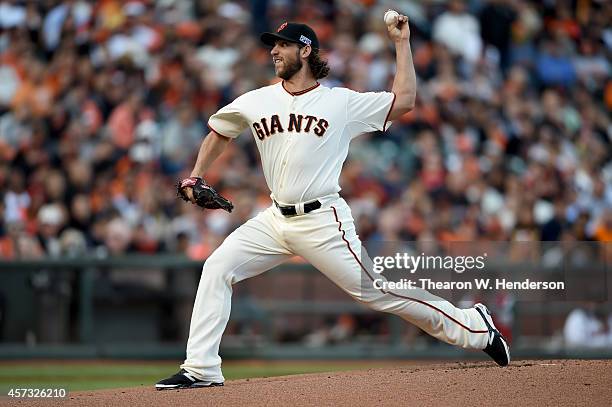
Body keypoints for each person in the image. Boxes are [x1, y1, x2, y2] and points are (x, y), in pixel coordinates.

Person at [156, 16, 510, 390]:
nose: (274, 50)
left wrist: (402, 43)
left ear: (305, 50)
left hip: (323, 221)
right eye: (272, 44)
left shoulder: (339, 102)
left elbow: (404, 101)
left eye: (283, 44)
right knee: (217, 267)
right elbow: (220, 131)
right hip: (275, 219)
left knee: (377, 293)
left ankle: (474, 327)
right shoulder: (257, 100)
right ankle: (201, 367)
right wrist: (195, 175)